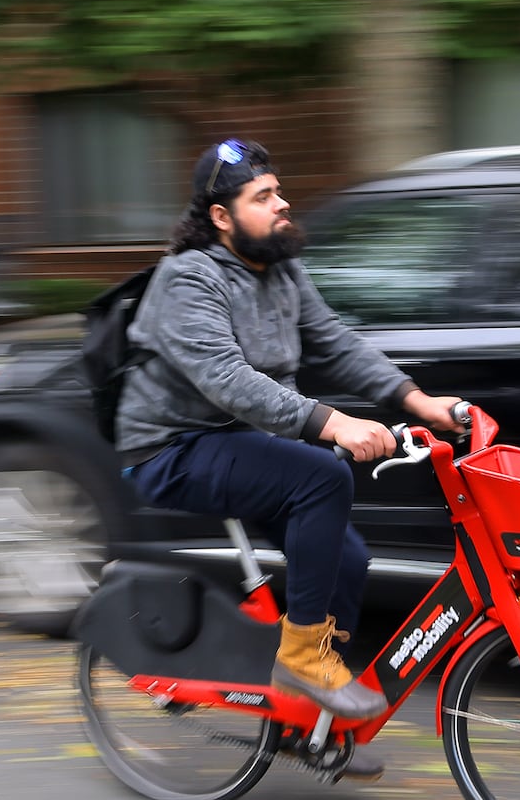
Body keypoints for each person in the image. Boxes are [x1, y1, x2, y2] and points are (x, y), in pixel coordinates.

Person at [115, 138, 464, 780]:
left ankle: (310, 725)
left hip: (240, 441)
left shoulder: (279, 268)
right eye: (262, 196)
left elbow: (333, 345)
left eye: (279, 190)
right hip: (170, 448)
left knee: (348, 559)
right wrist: (332, 423)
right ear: (221, 216)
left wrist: (417, 400)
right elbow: (225, 378)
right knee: (322, 475)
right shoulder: (187, 278)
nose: (283, 204)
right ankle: (304, 660)